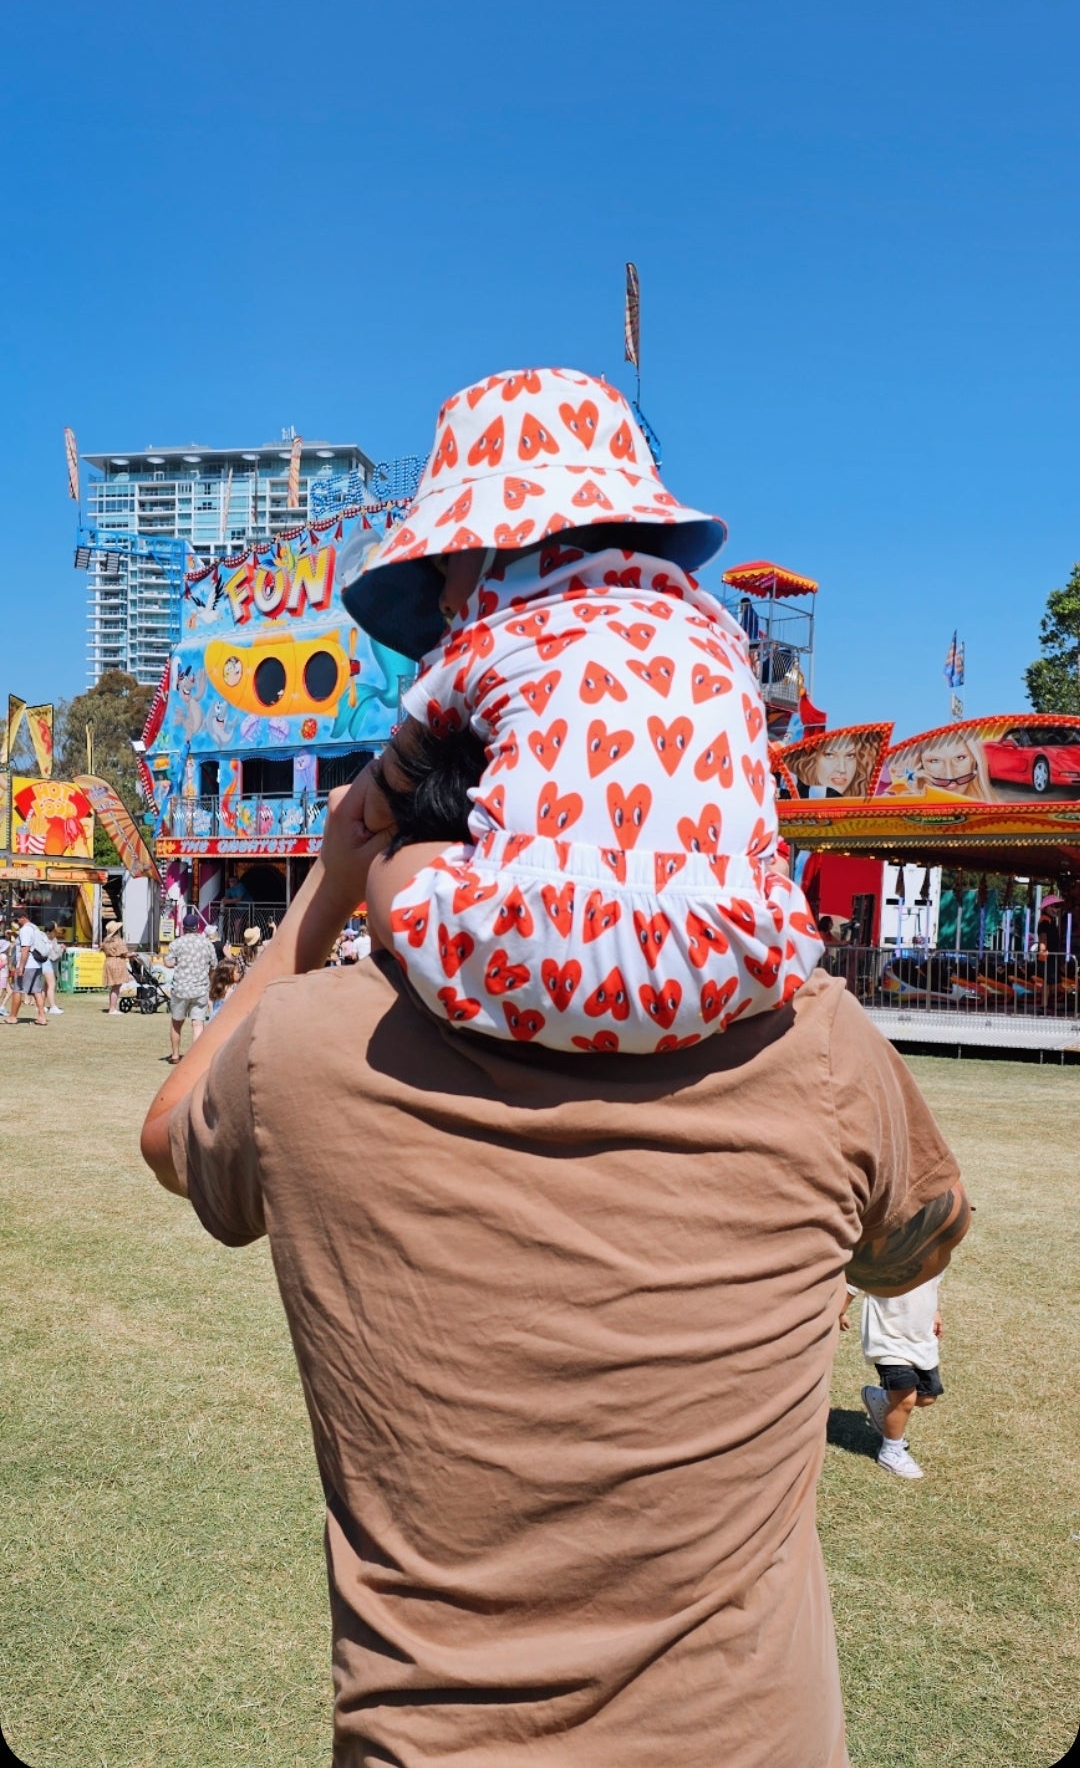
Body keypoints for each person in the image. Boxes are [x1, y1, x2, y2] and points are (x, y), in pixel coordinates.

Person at [141, 739, 971, 1768]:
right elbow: (909, 1247)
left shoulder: (300, 1049)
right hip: (752, 1737)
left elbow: (168, 1133)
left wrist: (326, 891)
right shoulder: (814, 1044)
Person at [343, 366, 823, 1053]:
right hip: (738, 963)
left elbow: (391, 787)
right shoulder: (719, 633)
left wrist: (357, 825)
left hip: (532, 958)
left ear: (486, 548)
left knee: (391, 871)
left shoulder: (490, 627)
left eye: (440, 563)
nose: (441, 597)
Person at [859, 1275, 946, 1481]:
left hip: (920, 1339)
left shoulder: (933, 1250)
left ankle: (880, 1399)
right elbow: (853, 1281)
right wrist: (840, 1309)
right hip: (887, 1335)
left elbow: (931, 1283)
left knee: (926, 1397)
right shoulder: (887, 1250)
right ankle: (891, 1451)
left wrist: (934, 1311)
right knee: (905, 1398)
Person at [163, 910, 218, 1063]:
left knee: (176, 1022)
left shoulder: (177, 943)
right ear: (197, 927)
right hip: (200, 988)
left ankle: (175, 1055)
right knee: (198, 1023)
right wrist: (209, 980)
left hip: (181, 988)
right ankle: (196, 1058)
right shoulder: (207, 943)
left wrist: (173, 962)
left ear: (184, 928)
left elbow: (168, 962)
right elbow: (214, 965)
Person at [5, 906, 53, 1026]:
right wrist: (15, 935)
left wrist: (21, 967)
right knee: (37, 991)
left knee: (17, 990)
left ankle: (12, 1017)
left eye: (16, 920)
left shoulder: (25, 930)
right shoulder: (34, 928)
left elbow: (25, 948)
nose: (15, 923)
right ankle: (42, 1017)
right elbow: (29, 943)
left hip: (27, 965)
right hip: (36, 964)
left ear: (23, 918)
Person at [101, 920, 132, 1015]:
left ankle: (112, 1007)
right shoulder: (118, 940)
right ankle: (112, 1009)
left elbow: (101, 949)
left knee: (113, 987)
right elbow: (125, 953)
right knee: (116, 987)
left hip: (108, 961)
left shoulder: (106, 940)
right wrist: (133, 954)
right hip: (117, 962)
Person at [40, 924, 66, 1015]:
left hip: (48, 964)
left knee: (46, 986)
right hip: (48, 964)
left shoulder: (51, 939)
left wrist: (59, 948)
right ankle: (53, 1007)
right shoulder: (48, 940)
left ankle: (41, 1006)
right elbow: (54, 956)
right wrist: (62, 949)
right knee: (52, 985)